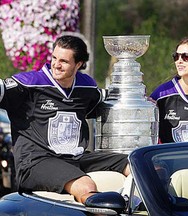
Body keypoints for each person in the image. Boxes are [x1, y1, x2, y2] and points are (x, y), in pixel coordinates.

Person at [0, 34, 130, 207]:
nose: (56, 64)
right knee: (85, 185)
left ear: (78, 64)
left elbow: (108, 98)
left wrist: (141, 98)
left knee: (136, 164)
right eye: (54, 58)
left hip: (75, 158)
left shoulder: (86, 86)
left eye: (64, 61)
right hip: (36, 161)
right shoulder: (30, 84)